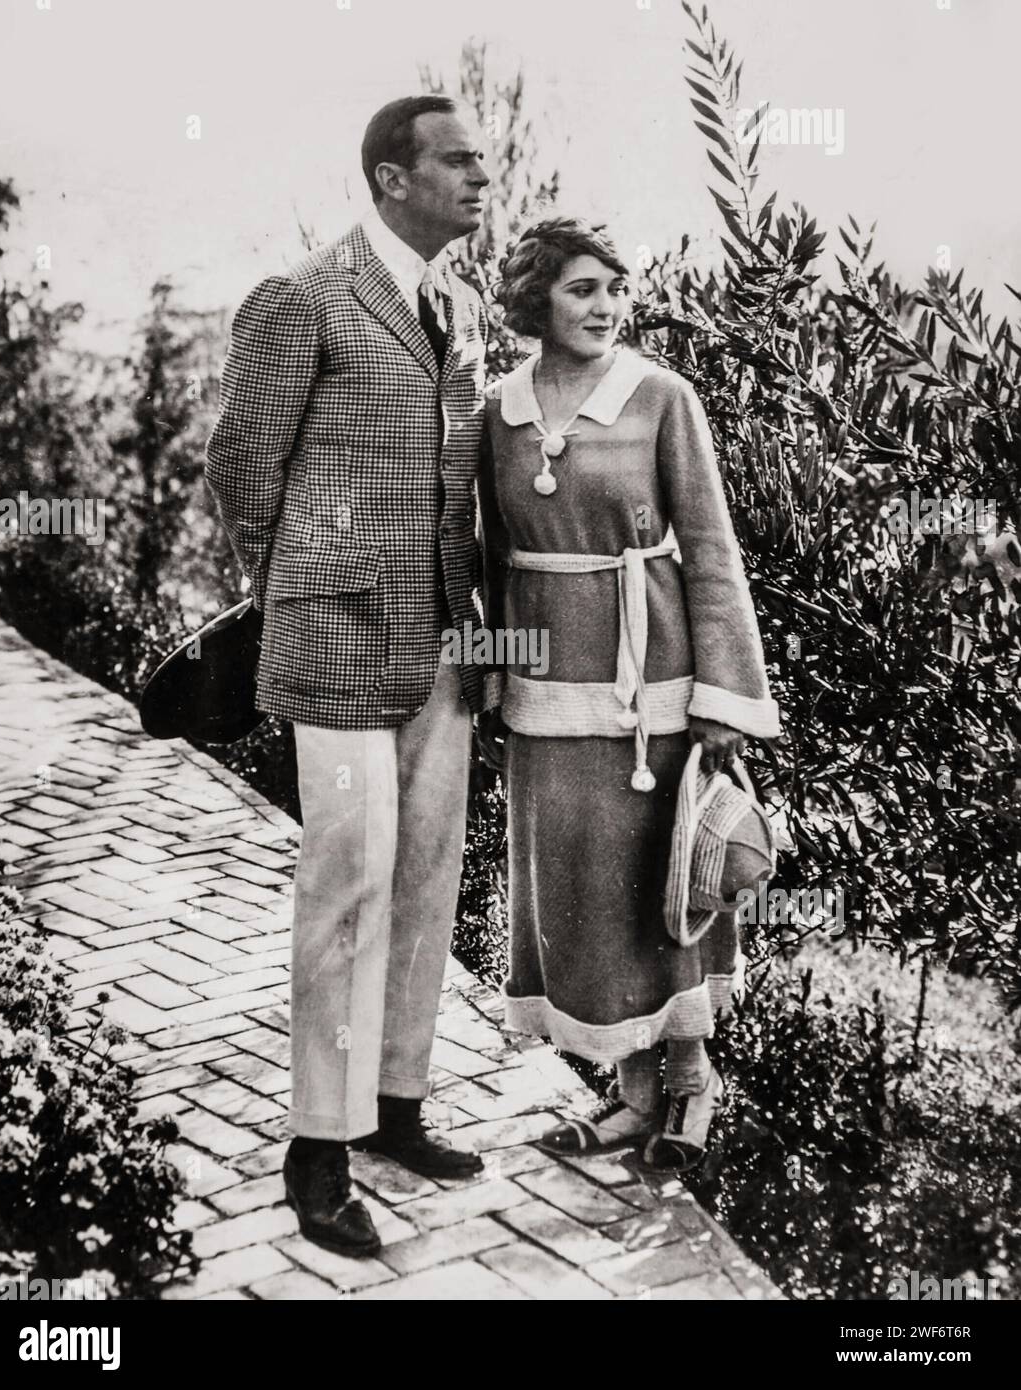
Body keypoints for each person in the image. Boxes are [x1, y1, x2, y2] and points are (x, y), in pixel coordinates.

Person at [205, 95, 490, 1257]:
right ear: (389, 178)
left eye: (479, 158)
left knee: (427, 869)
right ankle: (315, 1149)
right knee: (348, 883)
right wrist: (300, 587)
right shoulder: (303, 300)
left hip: (443, 636)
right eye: (454, 160)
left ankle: (395, 1105)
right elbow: (240, 464)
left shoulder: (460, 307)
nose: (478, 174)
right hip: (332, 638)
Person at [476, 217, 781, 1170]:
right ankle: (629, 1095)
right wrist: (491, 676)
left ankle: (692, 1087)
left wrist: (725, 701)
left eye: (614, 287)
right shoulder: (499, 408)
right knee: (582, 902)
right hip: (547, 697)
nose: (605, 306)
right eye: (580, 289)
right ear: (536, 301)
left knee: (669, 887)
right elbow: (488, 558)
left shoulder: (661, 397)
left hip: (655, 694)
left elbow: (713, 552)